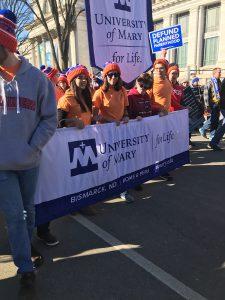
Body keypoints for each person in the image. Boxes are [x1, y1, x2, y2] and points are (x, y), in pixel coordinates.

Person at [0, 10, 57, 287]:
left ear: (7, 44)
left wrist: (33, 147)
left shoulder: (37, 79)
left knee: (28, 212)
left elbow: (50, 118)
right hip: (1, 167)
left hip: (29, 162)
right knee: (15, 215)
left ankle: (27, 243)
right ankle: (25, 267)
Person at [58, 65, 97, 215]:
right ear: (72, 80)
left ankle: (82, 203)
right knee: (74, 176)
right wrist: (73, 122)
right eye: (80, 77)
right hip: (71, 144)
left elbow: (87, 118)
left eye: (85, 77)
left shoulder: (87, 96)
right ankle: (73, 205)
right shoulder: (66, 98)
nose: (84, 80)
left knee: (85, 174)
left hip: (86, 140)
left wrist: (95, 118)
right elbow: (58, 122)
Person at [92, 62, 134, 203]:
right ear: (105, 76)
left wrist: (126, 116)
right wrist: (108, 120)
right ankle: (105, 187)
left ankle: (122, 189)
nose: (113, 77)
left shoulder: (122, 90)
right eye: (110, 74)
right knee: (107, 160)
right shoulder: (99, 92)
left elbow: (126, 108)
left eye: (116, 74)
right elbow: (94, 115)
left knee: (120, 159)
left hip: (120, 130)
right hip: (105, 132)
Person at [199, 68, 222, 140]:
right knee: (214, 119)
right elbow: (206, 94)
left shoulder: (219, 81)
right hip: (213, 104)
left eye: (220, 72)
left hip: (218, 103)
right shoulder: (210, 81)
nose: (220, 74)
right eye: (219, 72)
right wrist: (207, 105)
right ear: (214, 73)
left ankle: (203, 129)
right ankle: (212, 134)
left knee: (214, 119)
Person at [207, 78, 225, 151]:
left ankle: (214, 142)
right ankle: (214, 142)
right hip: (224, 105)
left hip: (223, 105)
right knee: (223, 125)